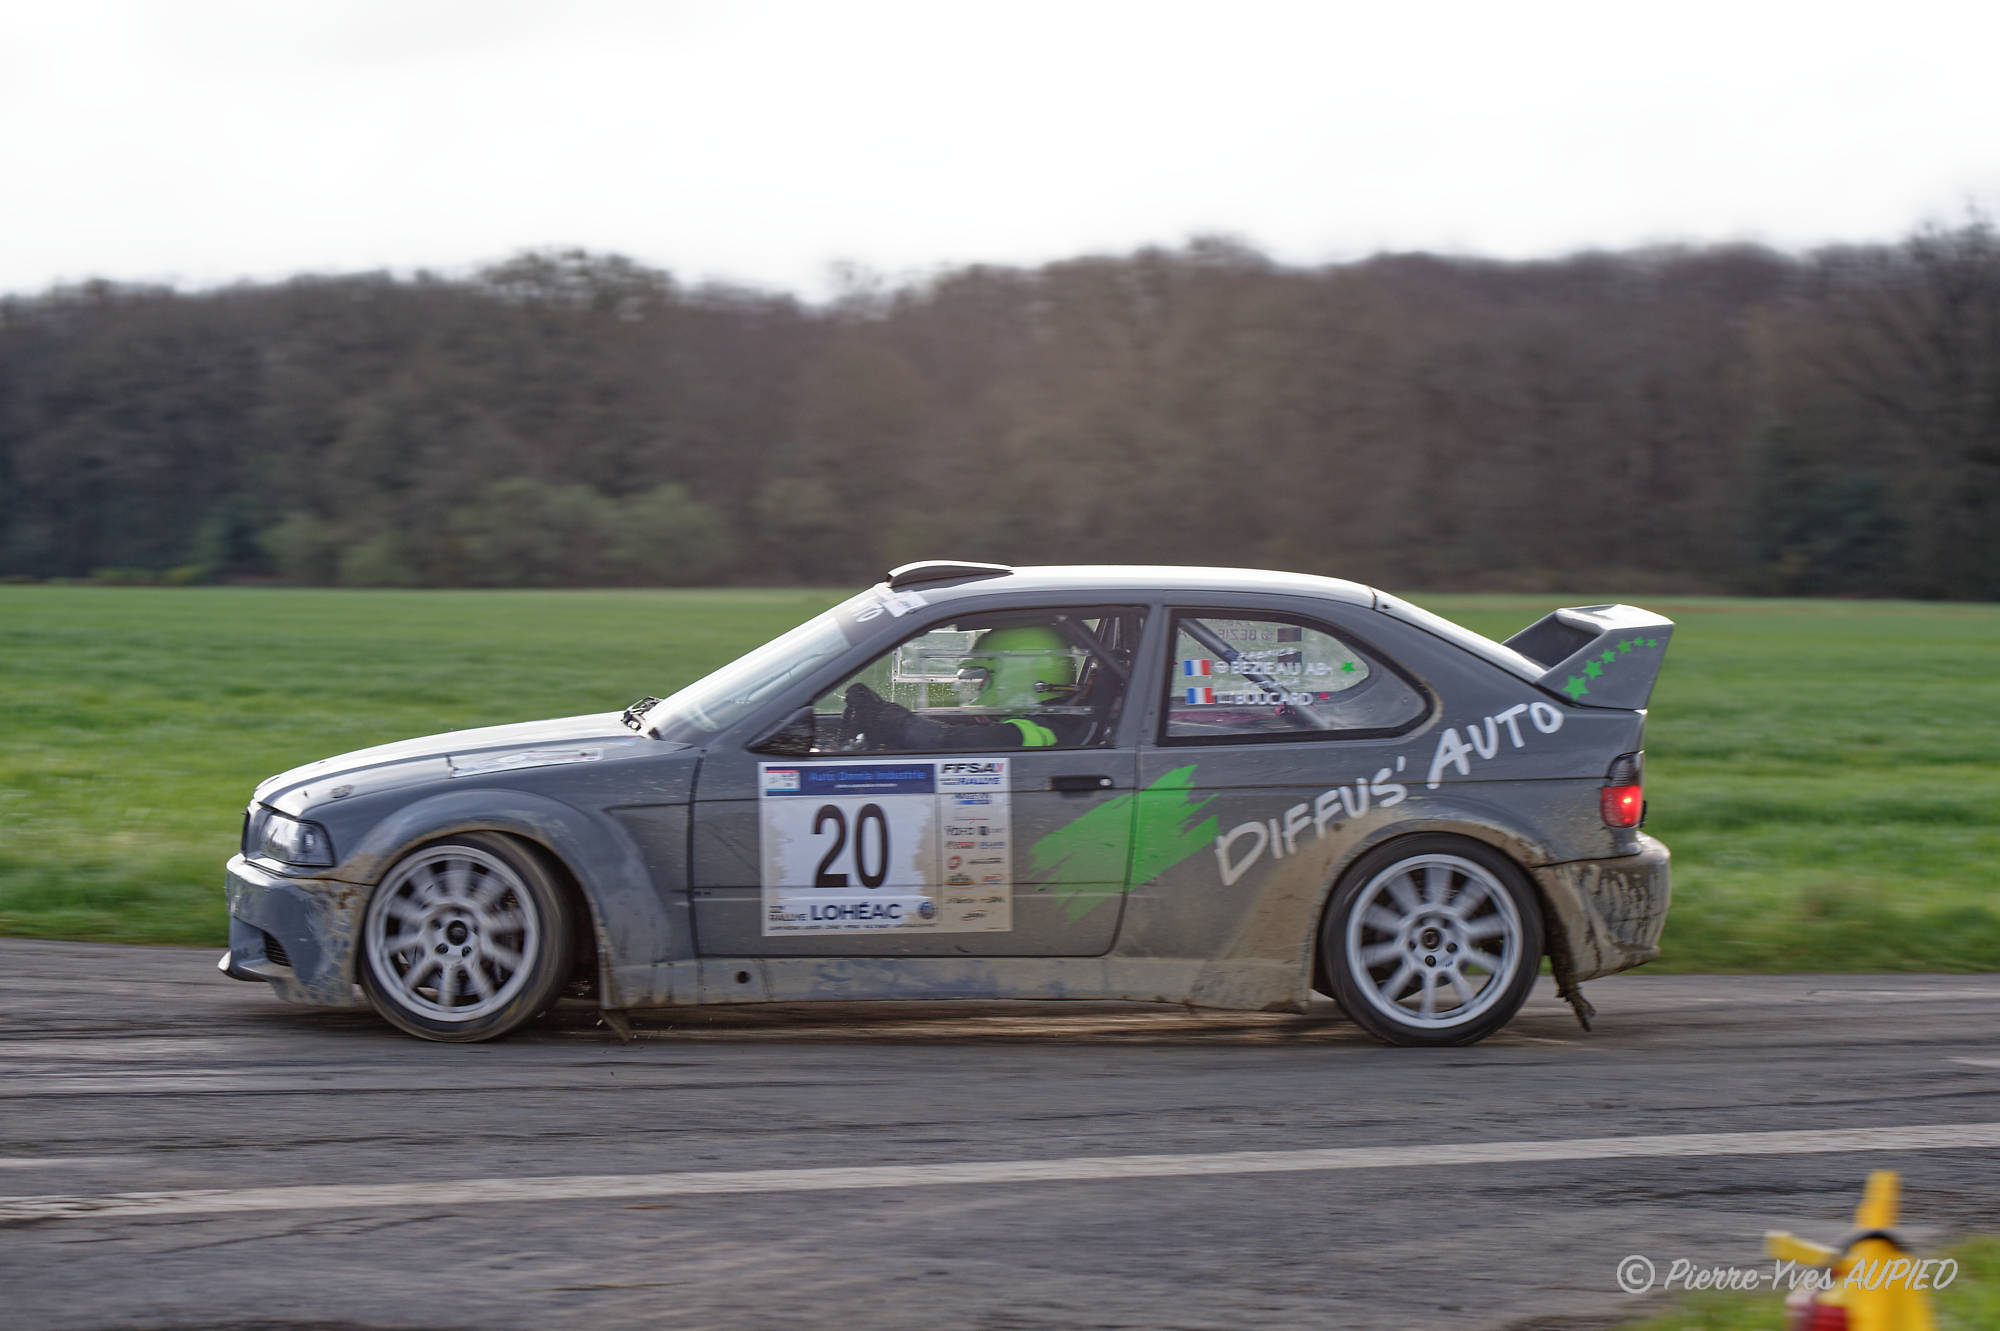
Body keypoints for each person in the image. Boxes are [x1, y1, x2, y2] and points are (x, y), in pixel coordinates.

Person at [841, 625, 1088, 751]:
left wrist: (895, 720)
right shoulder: (1038, 721)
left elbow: (953, 741)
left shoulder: (1035, 732)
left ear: (1018, 674)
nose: (980, 687)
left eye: (986, 678)